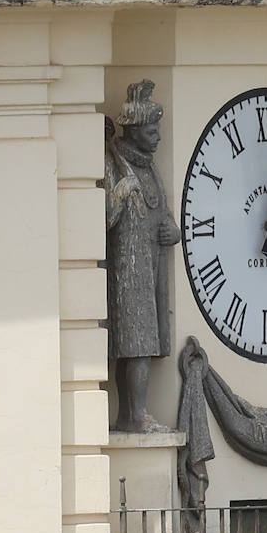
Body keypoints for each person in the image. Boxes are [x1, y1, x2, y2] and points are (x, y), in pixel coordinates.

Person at [105, 80, 180, 432]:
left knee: (143, 343)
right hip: (127, 267)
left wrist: (172, 230)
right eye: (151, 131)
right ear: (133, 131)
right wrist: (119, 193)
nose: (157, 138)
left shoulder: (149, 168)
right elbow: (103, 218)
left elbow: (161, 212)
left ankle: (132, 414)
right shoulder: (113, 164)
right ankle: (134, 415)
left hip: (151, 266)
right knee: (135, 343)